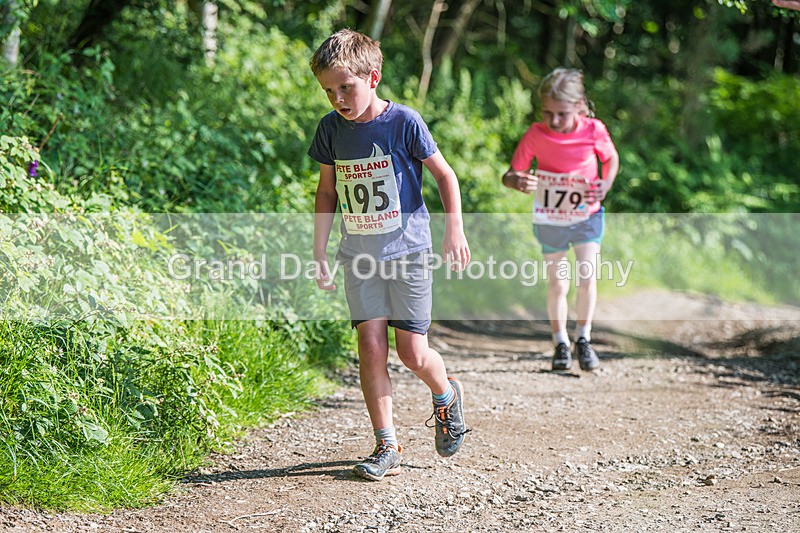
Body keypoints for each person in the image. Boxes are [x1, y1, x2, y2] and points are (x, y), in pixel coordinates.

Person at [307, 29, 472, 481]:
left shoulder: (404, 122)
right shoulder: (330, 129)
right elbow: (326, 191)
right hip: (359, 254)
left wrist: (453, 229)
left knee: (412, 352)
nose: (338, 98)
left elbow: (445, 175)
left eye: (346, 87)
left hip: (409, 252)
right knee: (370, 346)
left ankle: (446, 393)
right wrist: (319, 249)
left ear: (372, 77)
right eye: (328, 90)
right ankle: (386, 443)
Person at [501, 68, 619, 372]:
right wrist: (517, 182)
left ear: (579, 106)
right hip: (550, 217)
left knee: (587, 276)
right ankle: (560, 342)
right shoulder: (536, 134)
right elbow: (511, 173)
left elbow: (611, 158)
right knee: (557, 283)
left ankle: (584, 338)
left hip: (586, 215)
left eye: (562, 114)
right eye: (547, 113)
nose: (553, 121)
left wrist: (606, 183)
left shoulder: (594, 129)